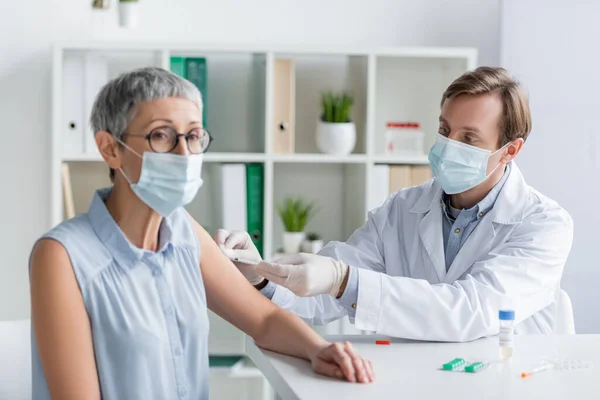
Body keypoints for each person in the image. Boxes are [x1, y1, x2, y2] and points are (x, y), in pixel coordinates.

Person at [29, 67, 374, 400]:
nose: (184, 153)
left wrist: (319, 349)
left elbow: (264, 319)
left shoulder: (182, 231)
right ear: (111, 148)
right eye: (161, 135)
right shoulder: (61, 256)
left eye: (193, 136)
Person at [218, 66, 574, 343]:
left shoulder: (544, 225)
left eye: (469, 138)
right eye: (445, 129)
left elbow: (472, 310)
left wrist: (343, 280)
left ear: (510, 150)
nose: (449, 145)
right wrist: (260, 274)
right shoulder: (404, 208)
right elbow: (323, 296)